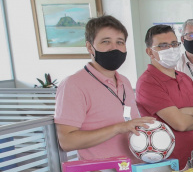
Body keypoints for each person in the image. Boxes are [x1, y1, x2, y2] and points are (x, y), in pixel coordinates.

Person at [55, 15, 155, 160]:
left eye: (120, 42)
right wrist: (118, 128)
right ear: (90, 47)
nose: (114, 48)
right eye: (106, 41)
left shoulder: (124, 82)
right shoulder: (73, 85)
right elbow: (67, 141)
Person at [136, 24, 193, 167]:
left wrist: (186, 111)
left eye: (174, 44)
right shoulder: (148, 83)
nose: (171, 49)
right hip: (169, 167)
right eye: (163, 46)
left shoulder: (184, 78)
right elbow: (181, 124)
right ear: (150, 52)